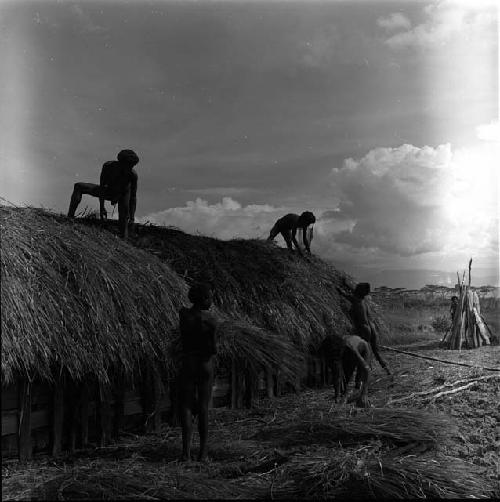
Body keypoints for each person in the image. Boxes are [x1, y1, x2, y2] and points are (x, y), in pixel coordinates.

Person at [178, 283, 217, 462]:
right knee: (203, 407)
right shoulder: (210, 320)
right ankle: (203, 453)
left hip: (188, 362)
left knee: (186, 406)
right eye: (209, 298)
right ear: (203, 300)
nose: (211, 301)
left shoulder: (183, 315)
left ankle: (186, 453)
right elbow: (213, 347)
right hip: (205, 363)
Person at [67, 149, 139, 238]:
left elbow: (133, 197)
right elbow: (102, 187)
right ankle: (69, 218)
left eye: (132, 166)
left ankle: (124, 237)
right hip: (108, 191)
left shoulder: (132, 175)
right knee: (78, 186)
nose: (130, 168)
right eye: (128, 166)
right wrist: (102, 207)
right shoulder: (108, 167)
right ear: (120, 162)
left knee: (124, 217)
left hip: (123, 195)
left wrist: (132, 217)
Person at [350, 282, 391, 376]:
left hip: (364, 330)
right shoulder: (364, 301)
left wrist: (340, 289)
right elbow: (353, 292)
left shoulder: (356, 300)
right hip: (372, 328)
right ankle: (387, 370)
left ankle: (360, 378)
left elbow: (345, 294)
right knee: (376, 352)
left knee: (363, 354)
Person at [321, 333, 372, 408]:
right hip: (346, 351)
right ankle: (344, 395)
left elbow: (367, 370)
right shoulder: (330, 347)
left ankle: (360, 395)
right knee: (346, 376)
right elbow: (337, 374)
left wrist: (365, 393)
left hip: (363, 348)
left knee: (359, 377)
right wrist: (337, 396)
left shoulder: (351, 348)